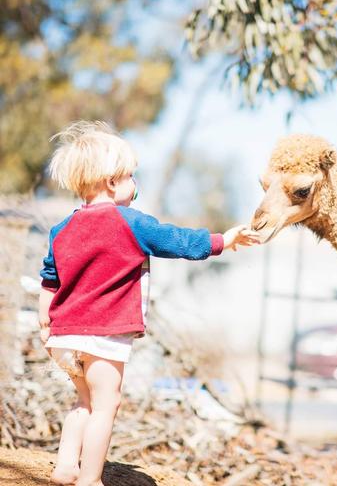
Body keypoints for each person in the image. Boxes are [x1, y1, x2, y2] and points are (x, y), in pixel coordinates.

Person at [38, 121, 259, 486]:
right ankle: (90, 478)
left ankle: (65, 466)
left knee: (83, 403)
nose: (135, 185)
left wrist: (45, 322)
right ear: (112, 182)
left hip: (62, 335)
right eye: (131, 177)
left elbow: (50, 276)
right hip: (103, 336)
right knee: (106, 405)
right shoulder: (131, 223)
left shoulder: (61, 228)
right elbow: (178, 241)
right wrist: (224, 240)